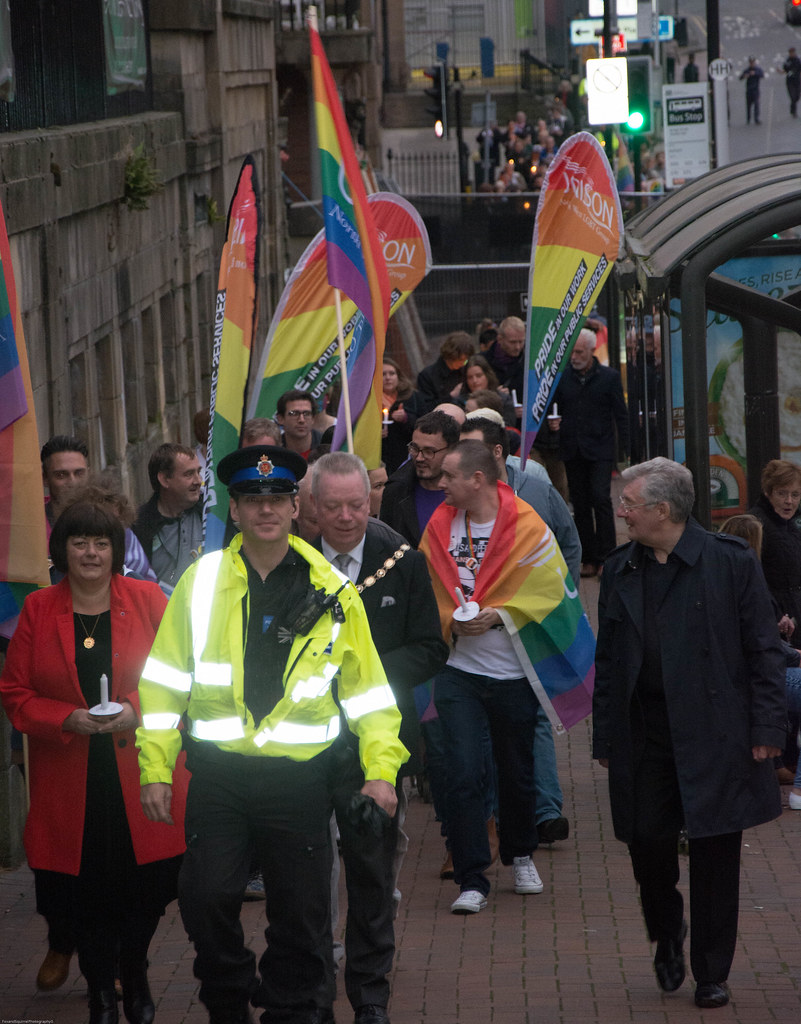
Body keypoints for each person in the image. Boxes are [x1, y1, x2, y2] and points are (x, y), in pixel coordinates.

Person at [136, 445, 406, 1024]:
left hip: (299, 779)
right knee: (205, 897)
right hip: (220, 776)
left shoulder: (333, 590)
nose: (266, 510)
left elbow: (369, 695)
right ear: (234, 510)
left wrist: (381, 771)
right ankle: (229, 995)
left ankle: (292, 1008)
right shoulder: (200, 583)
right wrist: (155, 768)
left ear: (294, 508)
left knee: (302, 916)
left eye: (277, 499)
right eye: (252, 500)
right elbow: (163, 682)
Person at [594, 458, 786, 1009]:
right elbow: (608, 662)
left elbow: (763, 650)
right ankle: (666, 929)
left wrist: (768, 725)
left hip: (717, 733)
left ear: (663, 510)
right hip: (646, 733)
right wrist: (606, 736)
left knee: (715, 854)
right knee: (646, 841)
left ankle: (711, 972)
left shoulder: (730, 563)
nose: (622, 512)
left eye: (630, 504)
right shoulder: (620, 569)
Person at [0, 500, 188, 1024]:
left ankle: (135, 970)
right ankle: (102, 992)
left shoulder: (147, 599)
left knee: (147, 886)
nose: (90, 552)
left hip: (142, 771)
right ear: (62, 549)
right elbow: (15, 693)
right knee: (83, 892)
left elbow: (182, 674)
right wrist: (66, 718)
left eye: (101, 543)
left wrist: (135, 710)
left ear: (116, 550)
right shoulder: (39, 609)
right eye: (79, 542)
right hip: (70, 776)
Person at [310, 453, 448, 1024]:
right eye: (334, 507)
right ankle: (315, 980)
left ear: (370, 498)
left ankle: (370, 994)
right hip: (305, 742)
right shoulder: (290, 562)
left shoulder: (402, 562)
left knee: (371, 872)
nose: (347, 517)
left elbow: (431, 648)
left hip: (376, 743)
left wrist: (360, 672)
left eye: (357, 504)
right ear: (312, 507)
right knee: (310, 870)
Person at [420, 441, 585, 914]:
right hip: (459, 672)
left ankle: (520, 855)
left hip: (514, 673)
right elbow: (425, 588)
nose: (439, 483)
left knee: (517, 772)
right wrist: (451, 620)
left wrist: (501, 614)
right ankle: (472, 877)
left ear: (477, 479)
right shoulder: (439, 525)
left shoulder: (528, 526)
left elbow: (551, 589)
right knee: (462, 772)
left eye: (449, 476)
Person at [459, 415, 580, 844]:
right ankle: (498, 815)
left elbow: (567, 544)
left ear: (497, 453)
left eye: (472, 448)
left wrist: (557, 599)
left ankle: (544, 812)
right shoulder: (453, 504)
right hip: (475, 641)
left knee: (537, 716)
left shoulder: (536, 490)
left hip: (530, 625)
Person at [551, 328, 629, 578]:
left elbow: (620, 413)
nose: (574, 357)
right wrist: (554, 423)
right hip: (573, 448)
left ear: (592, 351)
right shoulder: (563, 378)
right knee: (581, 504)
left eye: (579, 352)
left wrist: (628, 448)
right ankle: (588, 558)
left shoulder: (609, 377)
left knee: (600, 498)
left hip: (600, 448)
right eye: (572, 352)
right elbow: (553, 408)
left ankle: (608, 556)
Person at [379, 410, 460, 549]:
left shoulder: (468, 493)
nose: (419, 458)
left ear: (452, 450)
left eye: (429, 451)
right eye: (415, 449)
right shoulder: (395, 491)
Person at [133, 443, 203, 596]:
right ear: (164, 479)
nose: (198, 481)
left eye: (198, 472)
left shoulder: (210, 511)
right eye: (189, 474)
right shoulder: (139, 527)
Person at [748, 460, 801, 646]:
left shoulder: (791, 525)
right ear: (768, 492)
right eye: (782, 493)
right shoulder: (756, 524)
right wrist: (776, 614)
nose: (789, 501)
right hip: (775, 625)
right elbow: (750, 577)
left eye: (795, 495)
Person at [381, 356, 424, 475]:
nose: (388, 378)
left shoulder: (412, 397)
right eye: (383, 374)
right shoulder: (370, 401)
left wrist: (406, 418)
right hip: (381, 458)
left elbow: (424, 424)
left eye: (392, 373)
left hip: (406, 456)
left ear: (398, 376)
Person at [415, 333, 474, 412]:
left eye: (466, 360)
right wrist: (451, 396)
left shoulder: (465, 369)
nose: (463, 363)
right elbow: (426, 408)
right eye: (461, 360)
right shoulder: (427, 376)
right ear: (451, 356)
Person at [40, 434, 90, 526]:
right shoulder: (32, 523)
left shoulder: (109, 517)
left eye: (79, 473)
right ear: (45, 479)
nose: (73, 482)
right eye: (61, 475)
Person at [457, 354, 516, 427]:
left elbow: (508, 426)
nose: (474, 381)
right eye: (470, 377)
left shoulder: (504, 399)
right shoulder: (459, 402)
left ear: (487, 375)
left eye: (479, 375)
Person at [484, 316, 526, 410]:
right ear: (500, 339)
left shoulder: (530, 363)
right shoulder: (483, 362)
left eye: (521, 341)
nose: (518, 347)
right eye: (512, 342)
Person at [275, 388, 322, 458]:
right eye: (294, 413)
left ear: (313, 418)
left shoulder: (329, 448)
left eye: (306, 414)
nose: (301, 420)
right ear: (280, 418)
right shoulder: (273, 450)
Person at [740, 56, 764, 124]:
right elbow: (740, 77)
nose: (752, 64)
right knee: (748, 105)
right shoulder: (747, 70)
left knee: (756, 104)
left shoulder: (758, 69)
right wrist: (744, 76)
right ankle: (748, 118)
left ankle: (756, 118)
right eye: (750, 62)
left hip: (755, 90)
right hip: (749, 90)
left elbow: (762, 75)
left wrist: (755, 73)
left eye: (753, 62)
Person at [782, 47, 801, 117]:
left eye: (793, 52)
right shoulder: (787, 61)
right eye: (790, 53)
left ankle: (793, 108)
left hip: (797, 81)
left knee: (797, 96)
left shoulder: (798, 60)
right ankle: (793, 111)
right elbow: (784, 69)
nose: (792, 54)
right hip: (790, 82)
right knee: (793, 96)